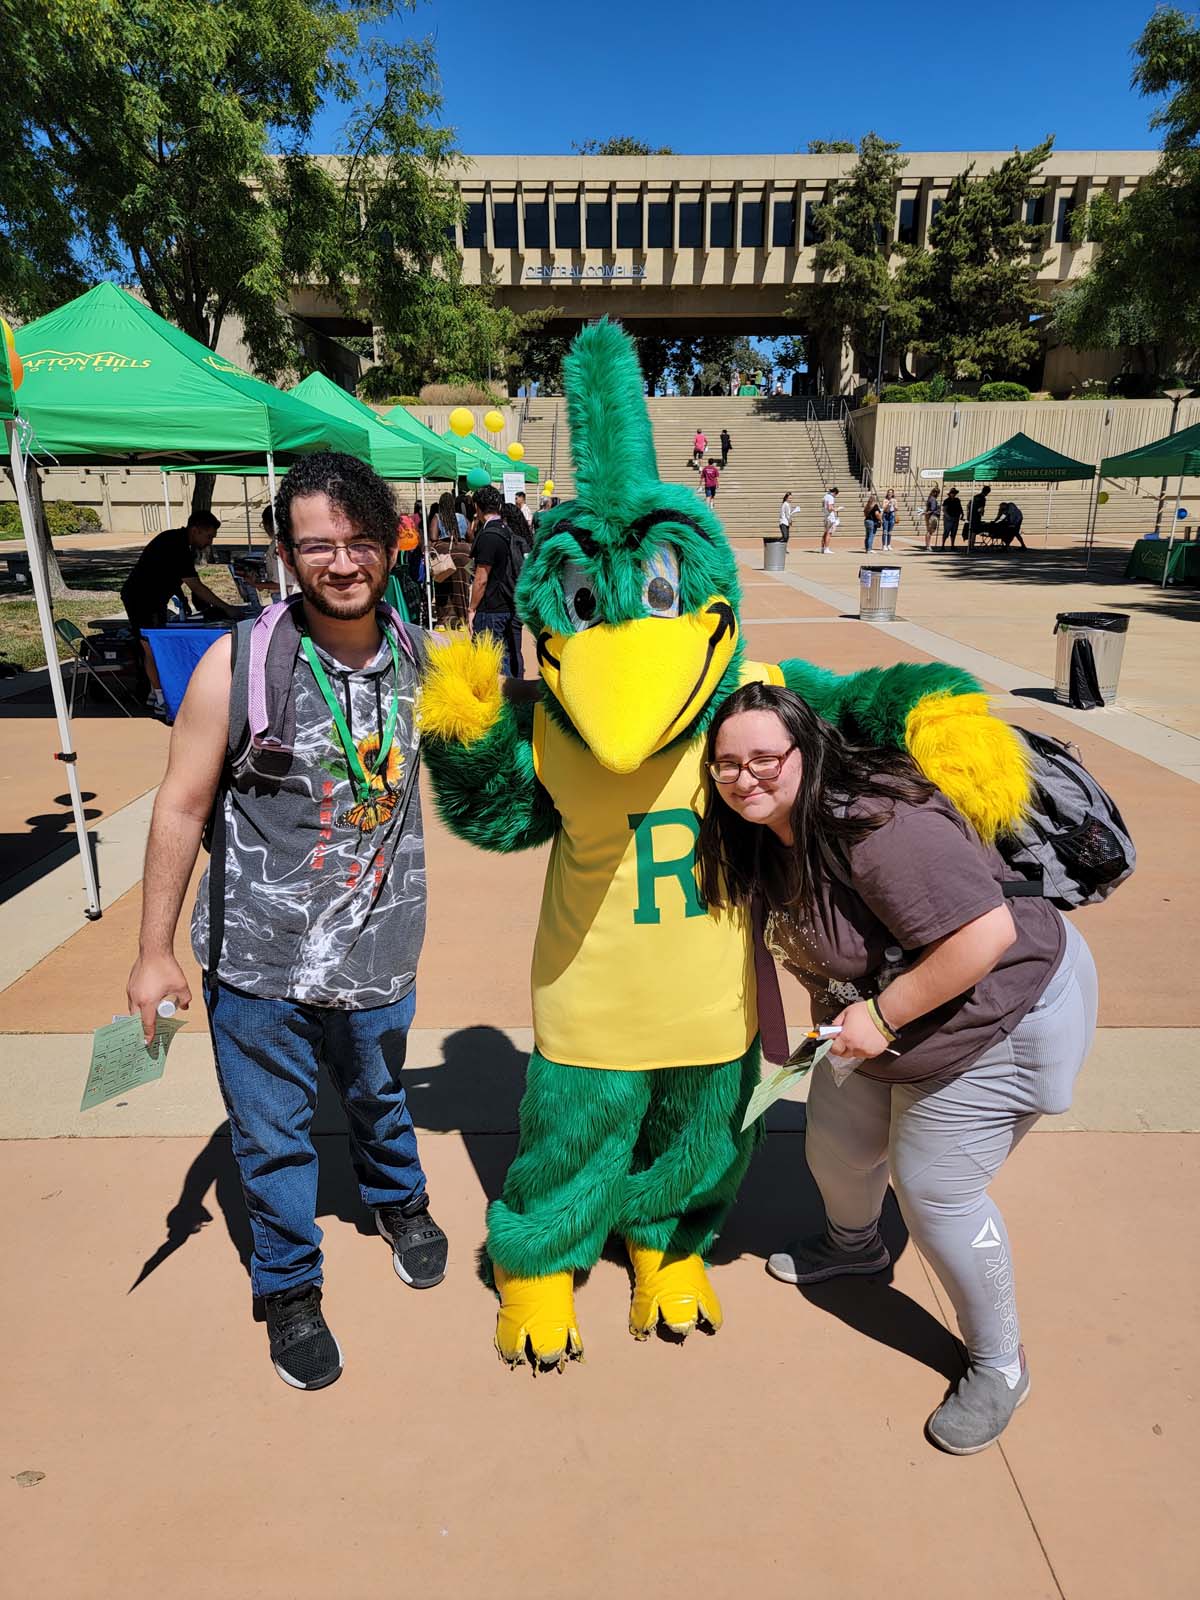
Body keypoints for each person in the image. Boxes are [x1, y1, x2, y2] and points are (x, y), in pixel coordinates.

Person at [696, 681, 1097, 1453]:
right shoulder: (760, 832)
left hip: (1000, 1015)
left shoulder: (875, 822)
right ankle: (855, 1248)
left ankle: (999, 1364)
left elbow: (984, 935)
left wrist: (880, 1016)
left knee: (935, 1191)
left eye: (765, 759)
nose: (746, 778)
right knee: (835, 1144)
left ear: (806, 752)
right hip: (885, 1021)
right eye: (727, 765)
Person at [125, 452, 449, 1393]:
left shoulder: (429, 662)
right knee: (271, 1140)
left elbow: (496, 774)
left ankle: (402, 1202)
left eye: (359, 541)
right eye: (317, 545)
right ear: (282, 552)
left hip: (381, 952)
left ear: (393, 543)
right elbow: (180, 806)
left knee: (382, 1098)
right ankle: (289, 1288)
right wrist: (152, 952)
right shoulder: (240, 664)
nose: (340, 563)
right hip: (257, 967)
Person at [120, 509, 238, 717]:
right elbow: (196, 585)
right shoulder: (176, 545)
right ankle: (159, 698)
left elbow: (172, 575)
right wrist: (226, 608)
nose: (210, 542)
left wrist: (184, 599)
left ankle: (153, 691)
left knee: (154, 645)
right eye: (208, 536)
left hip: (152, 599)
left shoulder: (179, 542)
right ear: (195, 530)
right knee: (152, 647)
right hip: (141, 599)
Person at [469, 484, 523, 678]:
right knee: (504, 656)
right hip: (507, 603)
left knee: (490, 661)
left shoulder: (489, 536)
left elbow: (481, 578)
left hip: (490, 607)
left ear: (478, 507)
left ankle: (502, 703)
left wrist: (471, 608)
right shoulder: (506, 531)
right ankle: (512, 701)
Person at [429, 490, 473, 628]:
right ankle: (462, 620)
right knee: (462, 587)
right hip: (464, 554)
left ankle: (443, 621)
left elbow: (433, 537)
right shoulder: (462, 517)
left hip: (445, 554)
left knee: (443, 586)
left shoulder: (437, 516)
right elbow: (470, 536)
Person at [966, 485, 992, 551]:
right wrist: (981, 513)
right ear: (986, 492)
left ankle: (969, 545)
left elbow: (968, 505)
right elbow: (981, 509)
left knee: (971, 531)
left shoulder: (975, 497)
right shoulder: (982, 498)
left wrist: (968, 515)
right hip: (976, 517)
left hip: (971, 516)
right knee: (974, 532)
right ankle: (972, 546)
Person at [822, 485, 840, 555]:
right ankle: (826, 548)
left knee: (826, 532)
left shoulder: (825, 496)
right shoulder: (831, 498)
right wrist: (836, 509)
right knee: (829, 533)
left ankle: (823, 548)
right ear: (834, 492)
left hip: (826, 516)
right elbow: (830, 508)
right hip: (830, 517)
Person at [923, 485, 941, 550]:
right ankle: (928, 546)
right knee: (930, 531)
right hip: (932, 516)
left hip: (929, 515)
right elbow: (933, 509)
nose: (937, 494)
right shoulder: (933, 499)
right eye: (937, 492)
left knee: (929, 531)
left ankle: (928, 545)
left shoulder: (930, 498)